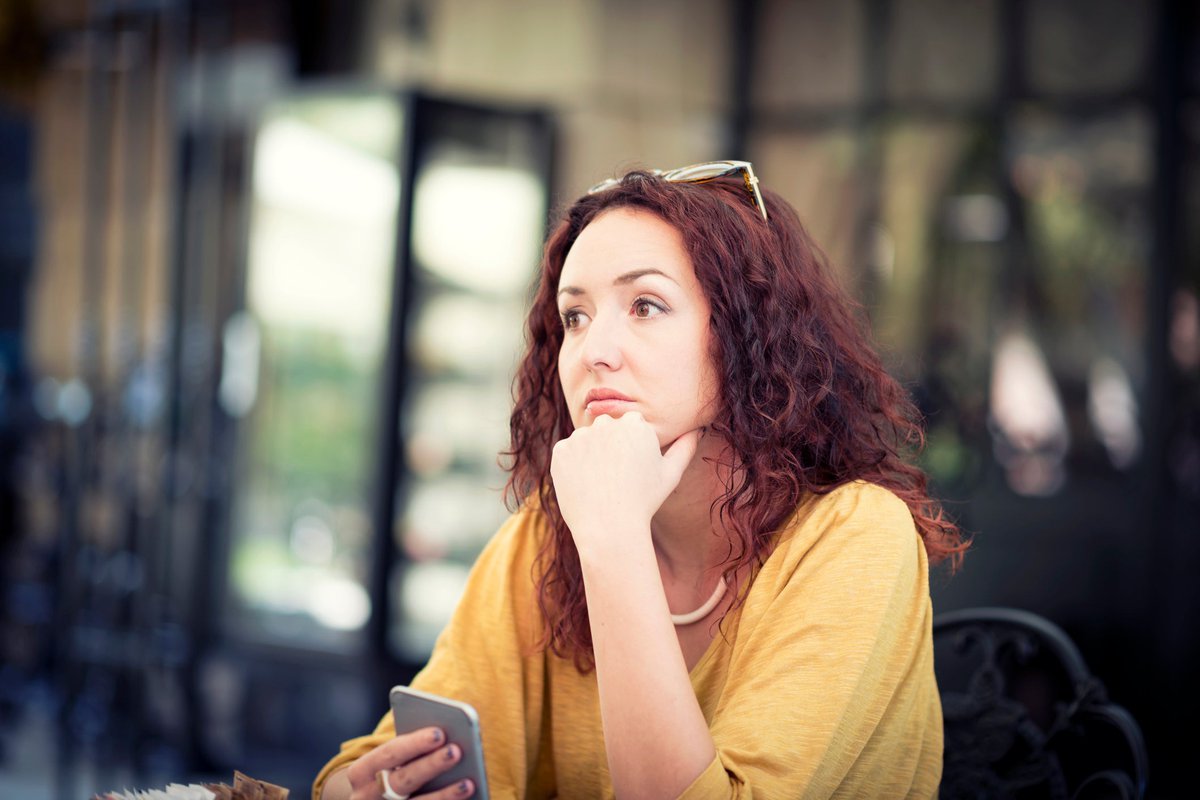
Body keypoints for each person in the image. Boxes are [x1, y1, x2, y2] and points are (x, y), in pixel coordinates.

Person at [313, 161, 968, 800]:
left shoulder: (856, 534)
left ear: (747, 336)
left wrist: (614, 542)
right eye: (575, 316)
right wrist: (368, 788)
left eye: (646, 305)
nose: (595, 350)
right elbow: (377, 761)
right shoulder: (549, 532)